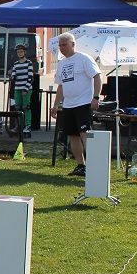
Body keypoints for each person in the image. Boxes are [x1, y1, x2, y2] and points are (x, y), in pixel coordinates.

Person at [50, 31, 101, 177]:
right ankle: (81, 165)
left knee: (84, 133)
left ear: (73, 44)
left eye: (64, 45)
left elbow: (97, 76)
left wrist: (95, 98)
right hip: (68, 105)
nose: (62, 48)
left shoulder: (84, 59)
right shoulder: (62, 63)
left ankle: (94, 165)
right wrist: (55, 105)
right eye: (60, 46)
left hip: (83, 103)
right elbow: (61, 86)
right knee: (72, 135)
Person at [9, 43, 35, 135]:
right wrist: (11, 74)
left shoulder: (29, 63)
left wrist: (26, 89)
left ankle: (28, 125)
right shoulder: (15, 64)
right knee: (18, 107)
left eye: (21, 52)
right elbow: (14, 77)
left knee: (26, 107)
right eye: (18, 52)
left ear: (25, 52)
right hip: (17, 88)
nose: (19, 54)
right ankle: (18, 125)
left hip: (26, 88)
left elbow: (31, 77)